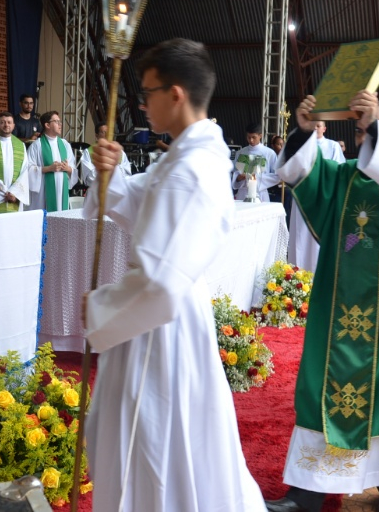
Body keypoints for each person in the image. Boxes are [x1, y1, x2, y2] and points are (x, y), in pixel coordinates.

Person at [82, 39, 264, 512]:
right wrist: (112, 172)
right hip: (159, 323)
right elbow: (134, 203)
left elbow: (162, 282)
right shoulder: (182, 159)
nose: (142, 104)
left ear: (176, 94)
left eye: (148, 92)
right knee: (151, 443)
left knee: (152, 448)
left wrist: (98, 308)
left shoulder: (191, 169)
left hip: (161, 329)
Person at [266, 92, 379, 512]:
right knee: (320, 389)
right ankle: (306, 493)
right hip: (339, 309)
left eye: (373, 128)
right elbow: (303, 173)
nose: (364, 135)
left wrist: (378, 130)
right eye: (362, 128)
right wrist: (305, 130)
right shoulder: (344, 177)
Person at [286, 120, 346, 272]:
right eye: (313, 125)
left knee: (317, 241)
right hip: (302, 196)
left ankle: (317, 274)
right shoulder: (301, 145)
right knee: (299, 238)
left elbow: (339, 169)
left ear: (324, 128)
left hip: (322, 199)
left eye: (318, 126)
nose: (315, 128)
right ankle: (297, 278)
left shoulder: (333, 146)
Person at [26, 112, 78, 212]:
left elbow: (73, 168)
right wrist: (48, 168)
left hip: (62, 191)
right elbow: (27, 169)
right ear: (47, 125)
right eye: (56, 121)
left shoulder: (65, 144)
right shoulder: (37, 145)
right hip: (43, 194)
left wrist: (68, 168)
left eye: (60, 121)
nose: (60, 124)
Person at [231, 122, 279, 202]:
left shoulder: (269, 153)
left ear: (260, 135)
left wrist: (257, 177)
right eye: (248, 137)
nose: (251, 140)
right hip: (242, 194)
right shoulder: (241, 153)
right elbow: (235, 173)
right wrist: (239, 178)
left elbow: (276, 176)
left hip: (260, 193)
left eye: (254, 137)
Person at [80, 122, 131, 188]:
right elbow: (89, 177)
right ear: (96, 135)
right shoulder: (88, 152)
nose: (107, 135)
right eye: (103, 132)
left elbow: (127, 174)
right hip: (97, 191)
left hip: (117, 190)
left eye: (108, 132)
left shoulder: (119, 152)